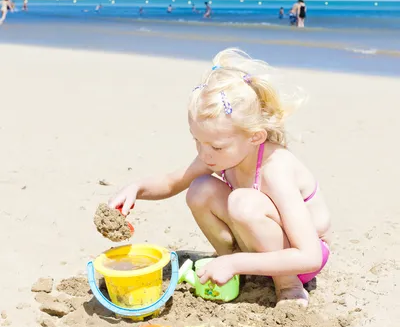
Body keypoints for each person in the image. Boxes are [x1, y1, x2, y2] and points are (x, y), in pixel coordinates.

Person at [109, 49, 331, 307]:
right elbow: (172, 182)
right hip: (259, 249)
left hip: (298, 261)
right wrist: (135, 189)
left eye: (216, 146)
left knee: (243, 202)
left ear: (255, 137)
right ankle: (236, 270)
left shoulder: (275, 169)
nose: (205, 154)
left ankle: (288, 286)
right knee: (200, 188)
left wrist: (236, 262)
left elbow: (310, 256)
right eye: (197, 141)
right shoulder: (222, 154)